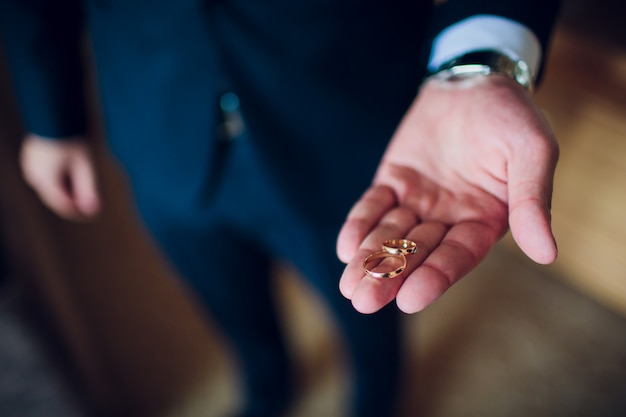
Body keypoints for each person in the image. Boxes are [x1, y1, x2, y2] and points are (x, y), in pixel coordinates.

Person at [0, 1, 561, 416]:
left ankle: (378, 398)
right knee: (227, 301)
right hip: (154, 118)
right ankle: (267, 387)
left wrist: (480, 61)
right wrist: (51, 119)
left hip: (353, 126)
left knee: (369, 310)